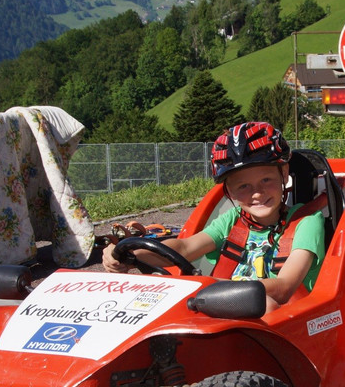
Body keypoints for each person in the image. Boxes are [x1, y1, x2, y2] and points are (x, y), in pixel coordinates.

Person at [102, 121, 325, 312]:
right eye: (244, 186)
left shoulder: (306, 222)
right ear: (229, 192)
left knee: (264, 304)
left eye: (266, 180)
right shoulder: (233, 221)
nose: (257, 193)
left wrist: (208, 286)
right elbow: (183, 248)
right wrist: (127, 253)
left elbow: (284, 287)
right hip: (228, 317)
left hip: (288, 326)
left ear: (284, 174)